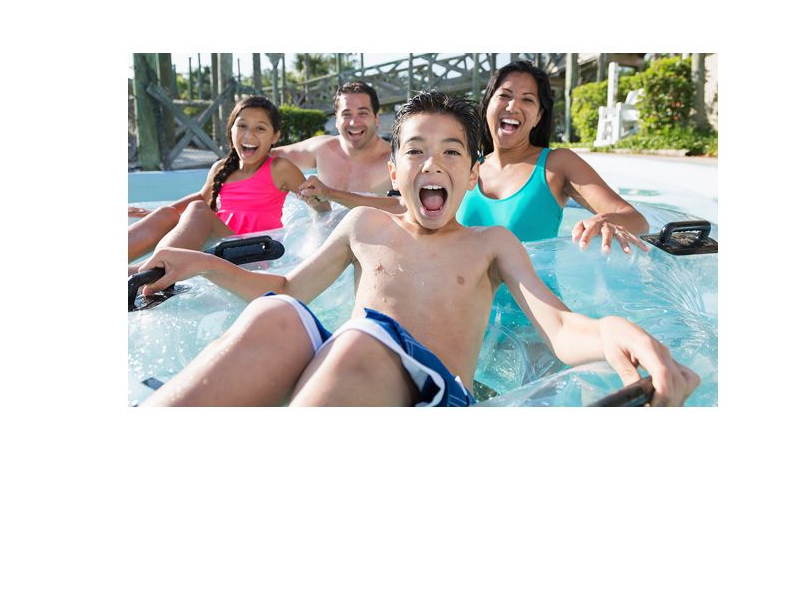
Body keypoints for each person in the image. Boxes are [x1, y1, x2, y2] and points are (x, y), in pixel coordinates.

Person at [135, 91, 699, 407]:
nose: (433, 164)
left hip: (433, 393)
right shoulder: (362, 225)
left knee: (357, 338)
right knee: (277, 317)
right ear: (393, 169)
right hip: (353, 370)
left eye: (452, 152)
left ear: (473, 174)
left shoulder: (489, 245)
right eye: (416, 151)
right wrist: (197, 263)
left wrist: (614, 332)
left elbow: (559, 327)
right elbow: (286, 286)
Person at [459, 59, 652, 254]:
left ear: (538, 117)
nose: (512, 106)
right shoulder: (467, 167)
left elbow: (637, 220)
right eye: (504, 95)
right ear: (487, 105)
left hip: (537, 286)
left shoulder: (557, 164)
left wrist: (603, 221)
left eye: (527, 99)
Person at [128, 96, 324, 265]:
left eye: (260, 128)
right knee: (166, 213)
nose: (249, 134)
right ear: (231, 130)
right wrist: (156, 214)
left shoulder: (279, 168)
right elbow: (202, 197)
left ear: (275, 136)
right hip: (220, 247)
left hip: (254, 252)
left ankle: (148, 268)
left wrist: (317, 218)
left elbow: (320, 204)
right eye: (242, 126)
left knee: (197, 210)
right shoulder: (221, 168)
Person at [272, 81, 395, 210]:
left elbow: (402, 208)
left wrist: (329, 194)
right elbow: (265, 156)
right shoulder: (321, 149)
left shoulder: (394, 161)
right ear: (336, 119)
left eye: (362, 113)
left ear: (376, 118)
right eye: (346, 114)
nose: (354, 122)